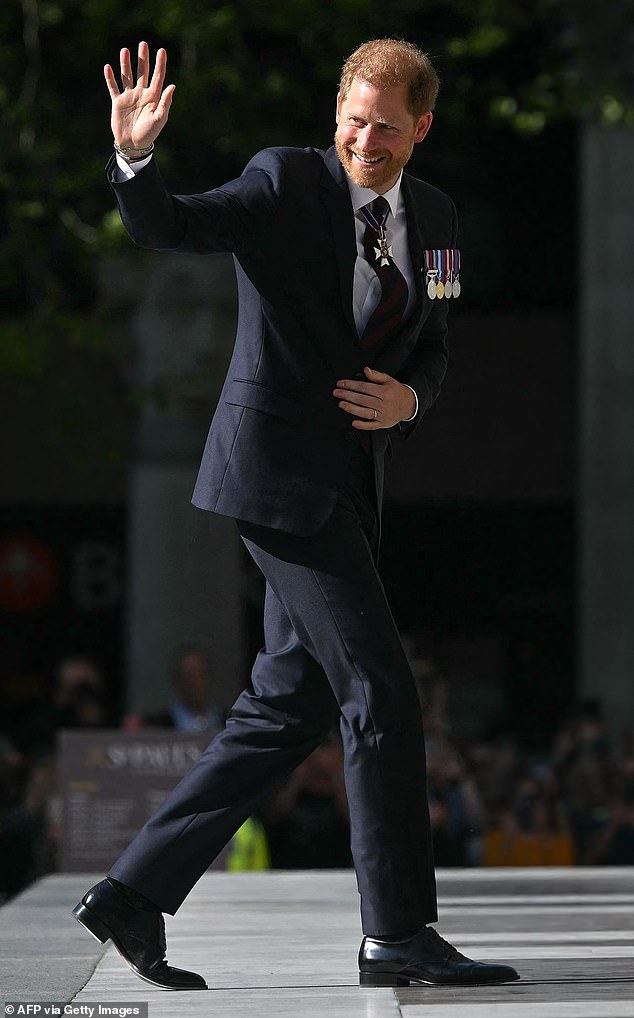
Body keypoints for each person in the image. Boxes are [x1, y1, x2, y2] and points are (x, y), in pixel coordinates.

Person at [72, 38, 519, 991]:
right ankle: (395, 932)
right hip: (274, 478)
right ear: (336, 115)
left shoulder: (437, 222)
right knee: (382, 693)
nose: (365, 140)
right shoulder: (283, 184)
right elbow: (171, 227)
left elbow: (436, 338)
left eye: (387, 128)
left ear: (421, 129)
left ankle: (132, 895)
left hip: (350, 487)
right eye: (353, 121)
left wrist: (413, 402)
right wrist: (135, 162)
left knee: (288, 706)